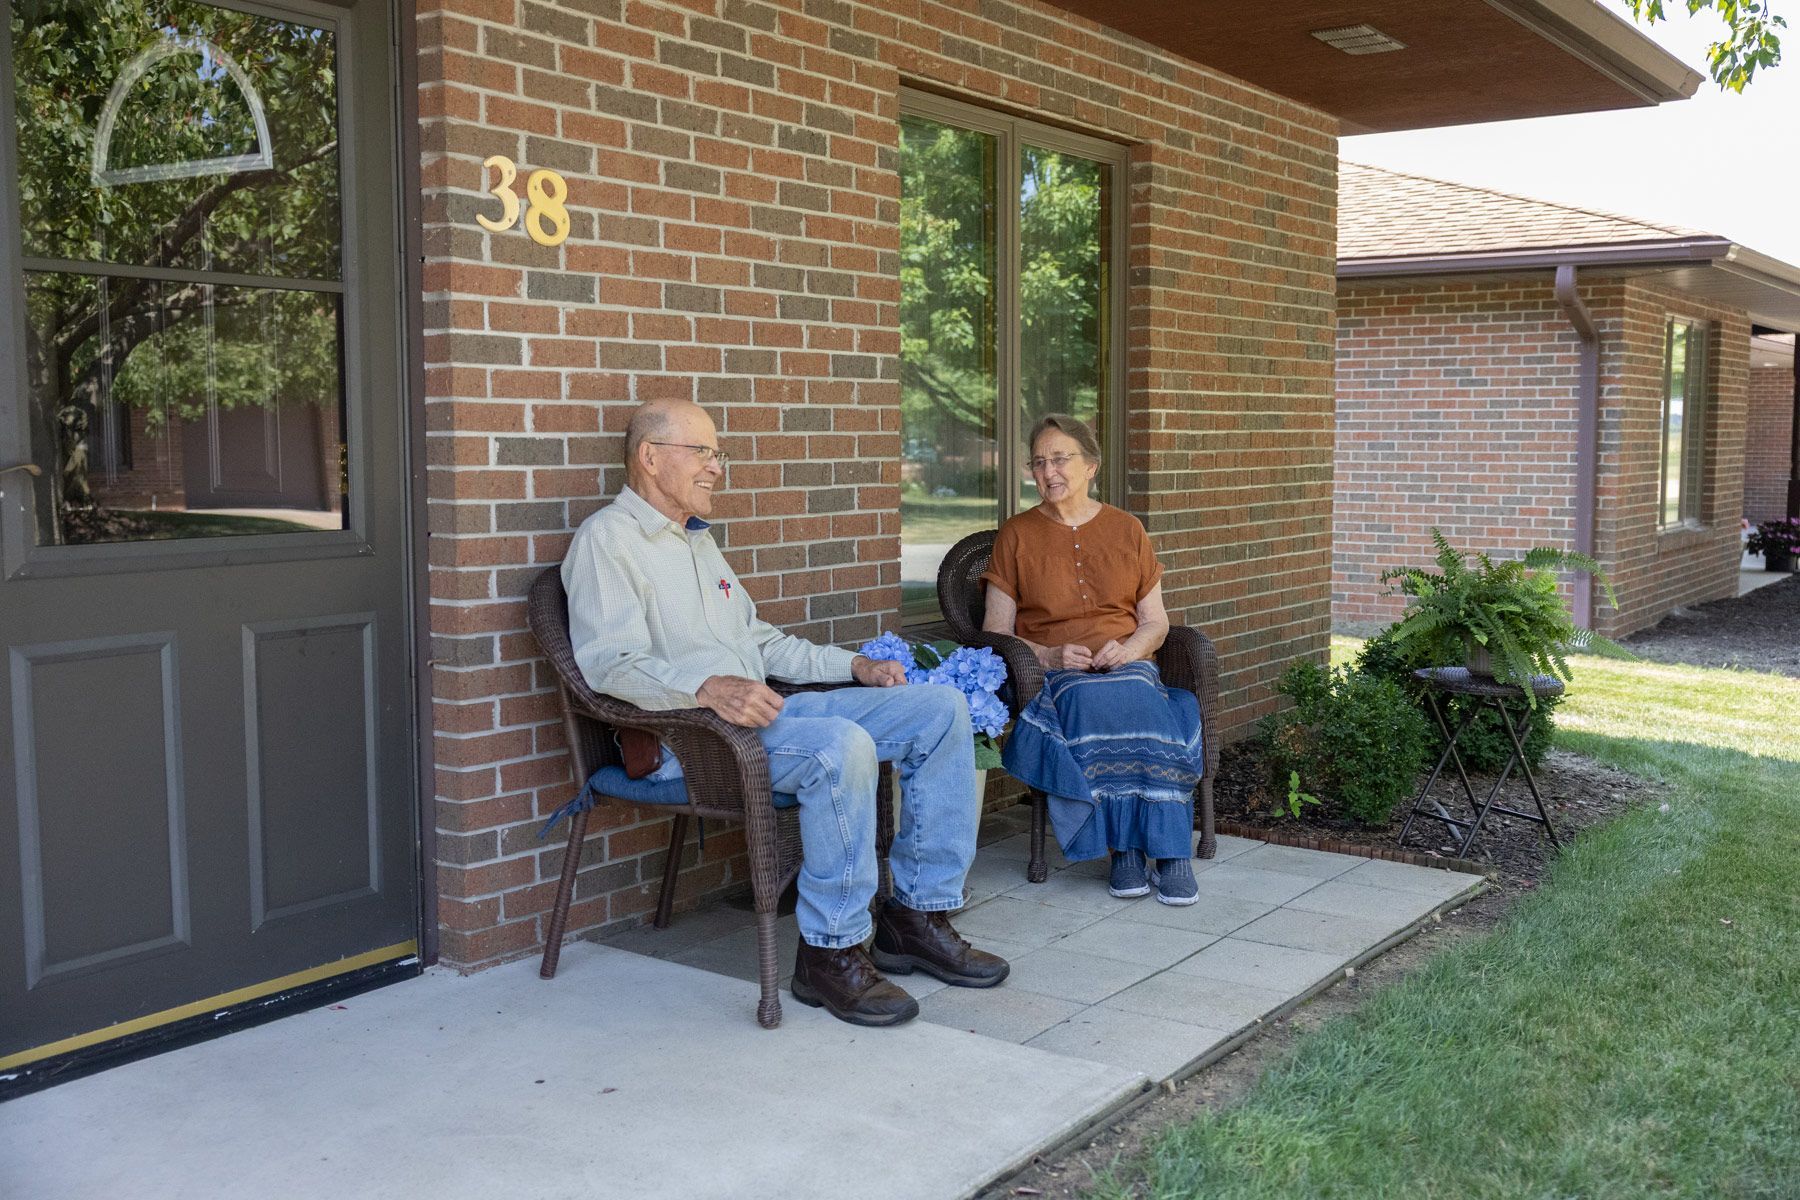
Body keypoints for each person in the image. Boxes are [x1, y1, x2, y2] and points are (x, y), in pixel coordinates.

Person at [562, 399, 1009, 1027]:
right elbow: (608, 664)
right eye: (705, 452)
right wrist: (707, 686)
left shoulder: (696, 541)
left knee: (938, 709)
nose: (718, 468)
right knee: (840, 746)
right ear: (650, 457)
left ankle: (915, 917)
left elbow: (761, 641)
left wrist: (851, 665)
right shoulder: (608, 541)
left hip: (759, 718)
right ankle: (830, 952)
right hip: (688, 740)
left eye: (718, 454)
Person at [980, 414, 1206, 905]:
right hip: (1059, 675)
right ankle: (1123, 849)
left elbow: (1156, 621)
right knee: (1090, 702)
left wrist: (1129, 650)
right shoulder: (1016, 535)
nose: (1048, 471)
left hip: (1127, 662)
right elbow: (995, 632)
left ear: (1091, 468)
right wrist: (1050, 655)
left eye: (1060, 459)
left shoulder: (1127, 529)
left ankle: (1170, 854)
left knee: (1142, 697)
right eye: (1039, 462)